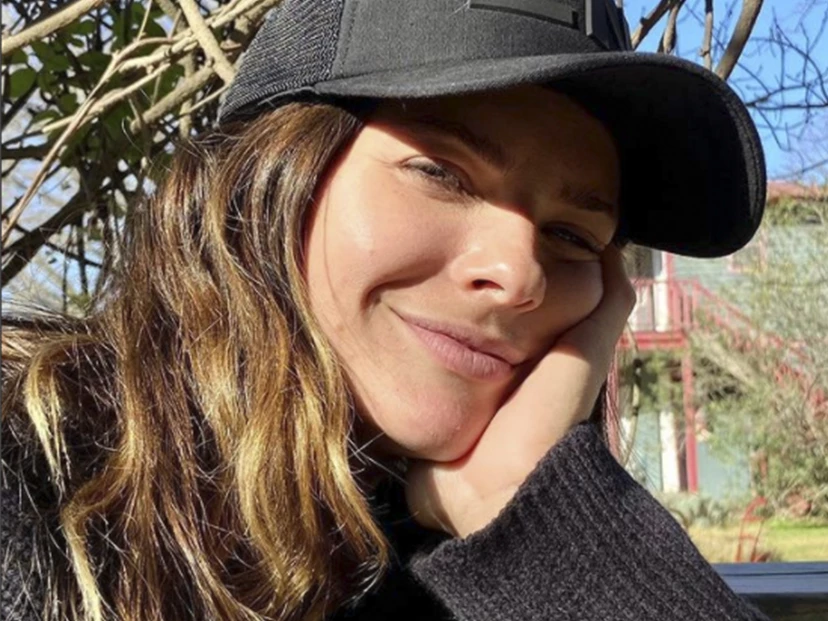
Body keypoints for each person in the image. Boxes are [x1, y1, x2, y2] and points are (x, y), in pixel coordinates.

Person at [2, 1, 772, 620]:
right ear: (265, 181)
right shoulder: (30, 488)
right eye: (441, 172)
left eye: (573, 236)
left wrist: (536, 523)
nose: (519, 275)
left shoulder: (493, 566)